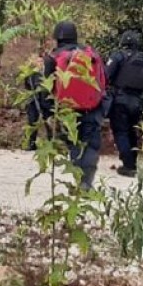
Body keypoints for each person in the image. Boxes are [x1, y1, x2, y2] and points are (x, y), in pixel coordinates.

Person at [44, 21, 106, 190]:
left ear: (57, 37)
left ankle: (79, 180)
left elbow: (47, 87)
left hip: (66, 110)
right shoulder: (91, 54)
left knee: (74, 144)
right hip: (92, 108)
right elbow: (103, 81)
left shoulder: (53, 57)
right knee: (91, 145)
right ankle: (87, 182)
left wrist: (48, 113)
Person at [106, 30, 143, 177]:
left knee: (121, 132)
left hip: (120, 99)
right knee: (132, 132)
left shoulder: (118, 56)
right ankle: (133, 162)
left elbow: (106, 75)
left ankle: (128, 165)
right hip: (137, 101)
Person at [23, 53, 52, 151]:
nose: (39, 63)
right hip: (33, 100)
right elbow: (27, 86)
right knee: (32, 122)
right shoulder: (31, 74)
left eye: (41, 61)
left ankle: (51, 143)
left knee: (49, 122)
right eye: (38, 61)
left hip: (46, 101)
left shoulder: (48, 72)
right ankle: (31, 143)